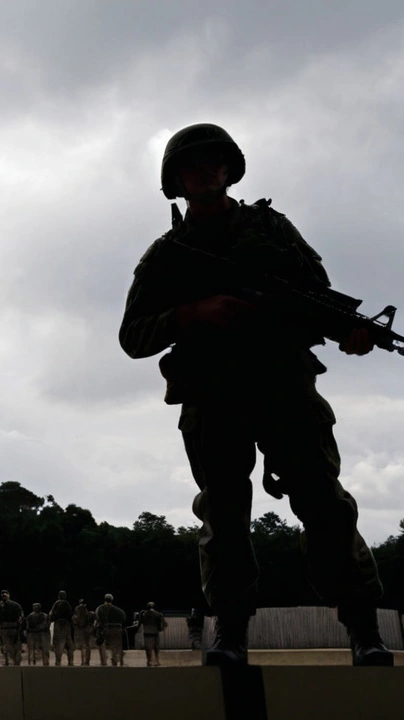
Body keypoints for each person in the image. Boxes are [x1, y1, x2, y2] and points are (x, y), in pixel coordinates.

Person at [119, 123, 392, 668]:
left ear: (229, 168)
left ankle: (363, 627)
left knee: (323, 503)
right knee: (224, 514)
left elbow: (317, 298)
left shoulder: (271, 229)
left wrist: (353, 333)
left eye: (214, 160)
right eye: (192, 163)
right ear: (175, 178)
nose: (204, 169)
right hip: (213, 395)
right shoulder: (168, 255)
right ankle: (230, 632)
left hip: (284, 386)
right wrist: (193, 313)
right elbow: (133, 336)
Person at [0, 590, 24, 666]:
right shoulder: (0, 605)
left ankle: (12, 660)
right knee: (8, 646)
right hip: (7, 628)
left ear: (9, 595)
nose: (4, 595)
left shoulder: (11, 605)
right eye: (3, 594)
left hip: (11, 628)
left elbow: (21, 616)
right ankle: (12, 661)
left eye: (5, 594)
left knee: (10, 646)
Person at [95, 594, 125, 667]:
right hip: (116, 630)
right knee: (114, 645)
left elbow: (98, 620)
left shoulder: (99, 608)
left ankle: (104, 661)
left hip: (106, 629)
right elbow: (123, 619)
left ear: (104, 599)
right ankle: (114, 660)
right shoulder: (119, 610)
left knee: (102, 645)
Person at [48, 590, 74, 666]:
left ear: (58, 596)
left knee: (59, 644)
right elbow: (70, 615)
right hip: (67, 625)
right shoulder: (67, 604)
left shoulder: (56, 604)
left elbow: (52, 615)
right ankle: (71, 661)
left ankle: (58, 661)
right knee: (69, 644)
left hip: (58, 625)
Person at [139, 602, 168, 667]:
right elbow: (164, 624)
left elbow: (140, 622)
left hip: (146, 633)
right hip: (155, 632)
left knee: (148, 648)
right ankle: (157, 661)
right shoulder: (158, 614)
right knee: (156, 648)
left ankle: (149, 661)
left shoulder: (144, 614)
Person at [71, 599, 95, 666]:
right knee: (87, 646)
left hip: (80, 630)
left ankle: (83, 662)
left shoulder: (77, 609)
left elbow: (75, 620)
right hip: (87, 630)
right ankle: (87, 662)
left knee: (82, 646)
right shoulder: (88, 611)